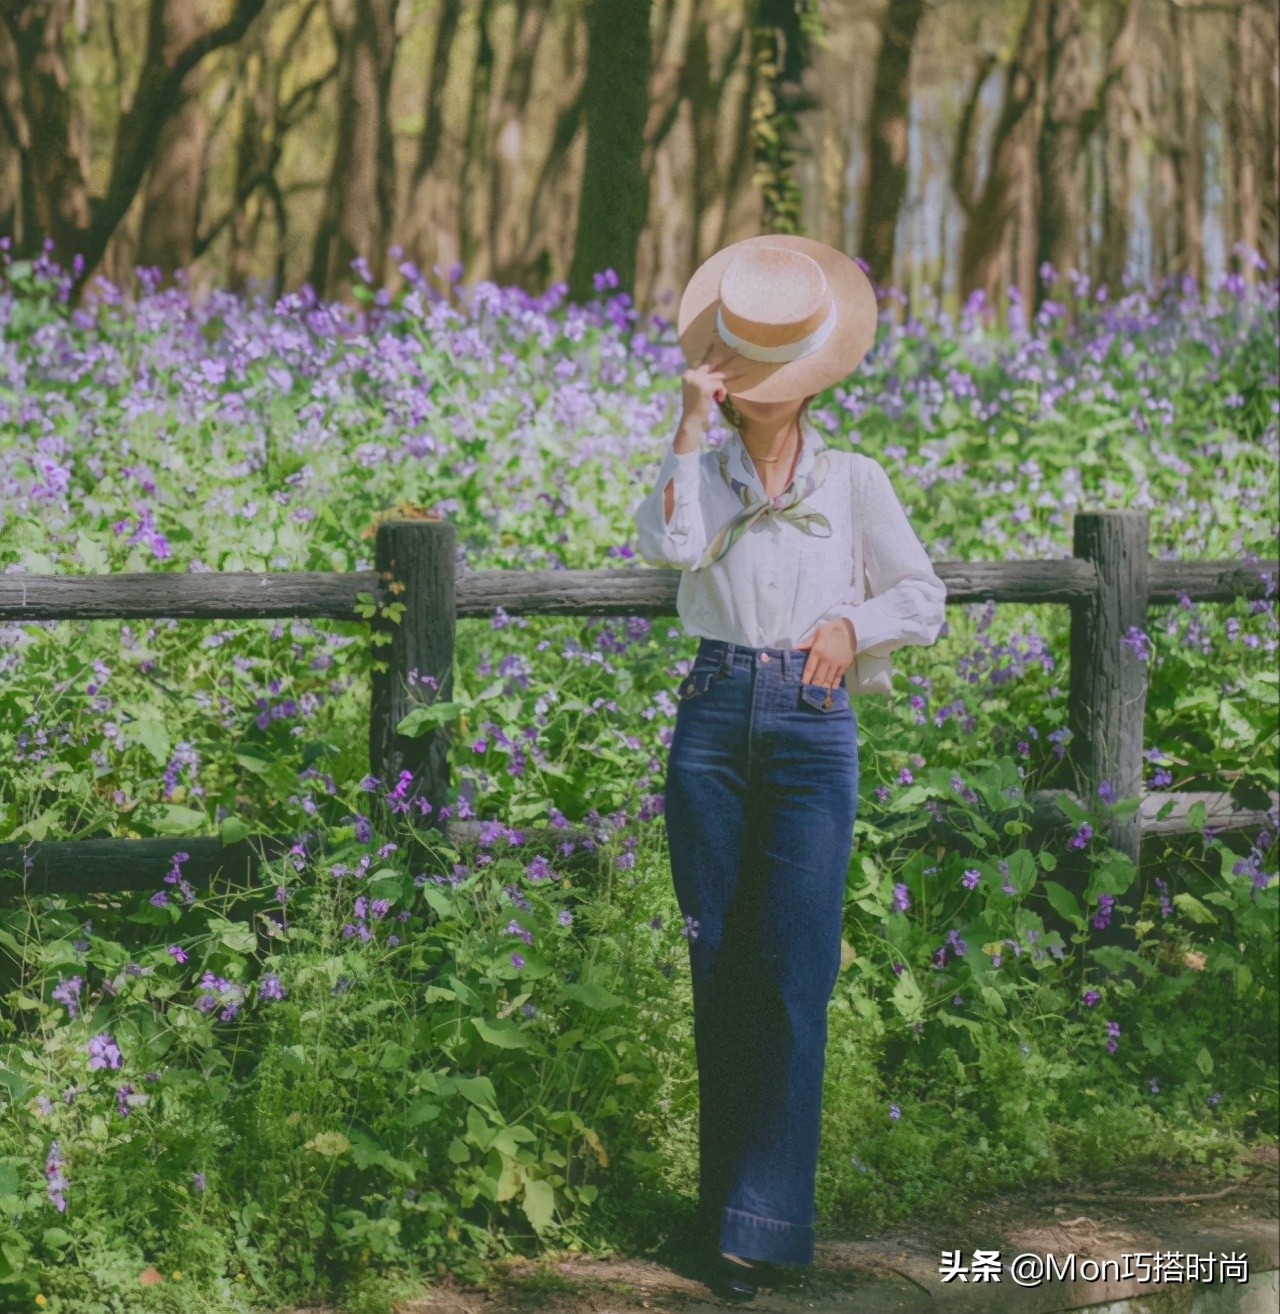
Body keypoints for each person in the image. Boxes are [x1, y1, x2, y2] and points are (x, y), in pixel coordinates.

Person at [633, 235, 947, 1301]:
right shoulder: (703, 472)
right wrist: (685, 431)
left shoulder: (854, 480)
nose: (748, 392)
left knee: (794, 972)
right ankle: (715, 1220)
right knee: (716, 961)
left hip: (813, 726)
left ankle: (761, 1225)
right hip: (713, 717)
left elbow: (922, 597)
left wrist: (852, 626)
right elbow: (673, 553)